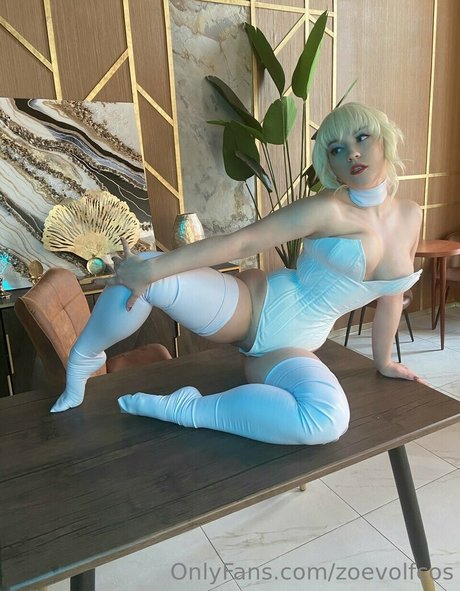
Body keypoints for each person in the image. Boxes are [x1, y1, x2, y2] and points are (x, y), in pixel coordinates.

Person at [50, 102, 423, 446]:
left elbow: (392, 296)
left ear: (384, 139)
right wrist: (150, 269)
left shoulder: (411, 216)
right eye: (336, 149)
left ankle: (187, 408)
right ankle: (83, 360)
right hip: (256, 308)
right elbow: (242, 242)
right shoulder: (328, 209)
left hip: (294, 348)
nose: (352, 153)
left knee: (327, 421)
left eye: (361, 138)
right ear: (330, 166)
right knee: (147, 270)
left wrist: (384, 362)